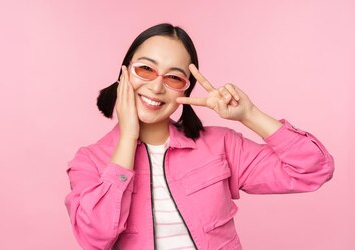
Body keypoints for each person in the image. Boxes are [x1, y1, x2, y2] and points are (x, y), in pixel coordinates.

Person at [64, 23, 335, 250]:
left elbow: (313, 169)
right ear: (124, 73)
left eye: (174, 78)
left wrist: (249, 114)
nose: (157, 86)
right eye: (146, 70)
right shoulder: (89, 161)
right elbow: (95, 236)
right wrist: (128, 138)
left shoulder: (221, 145)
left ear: (186, 90)